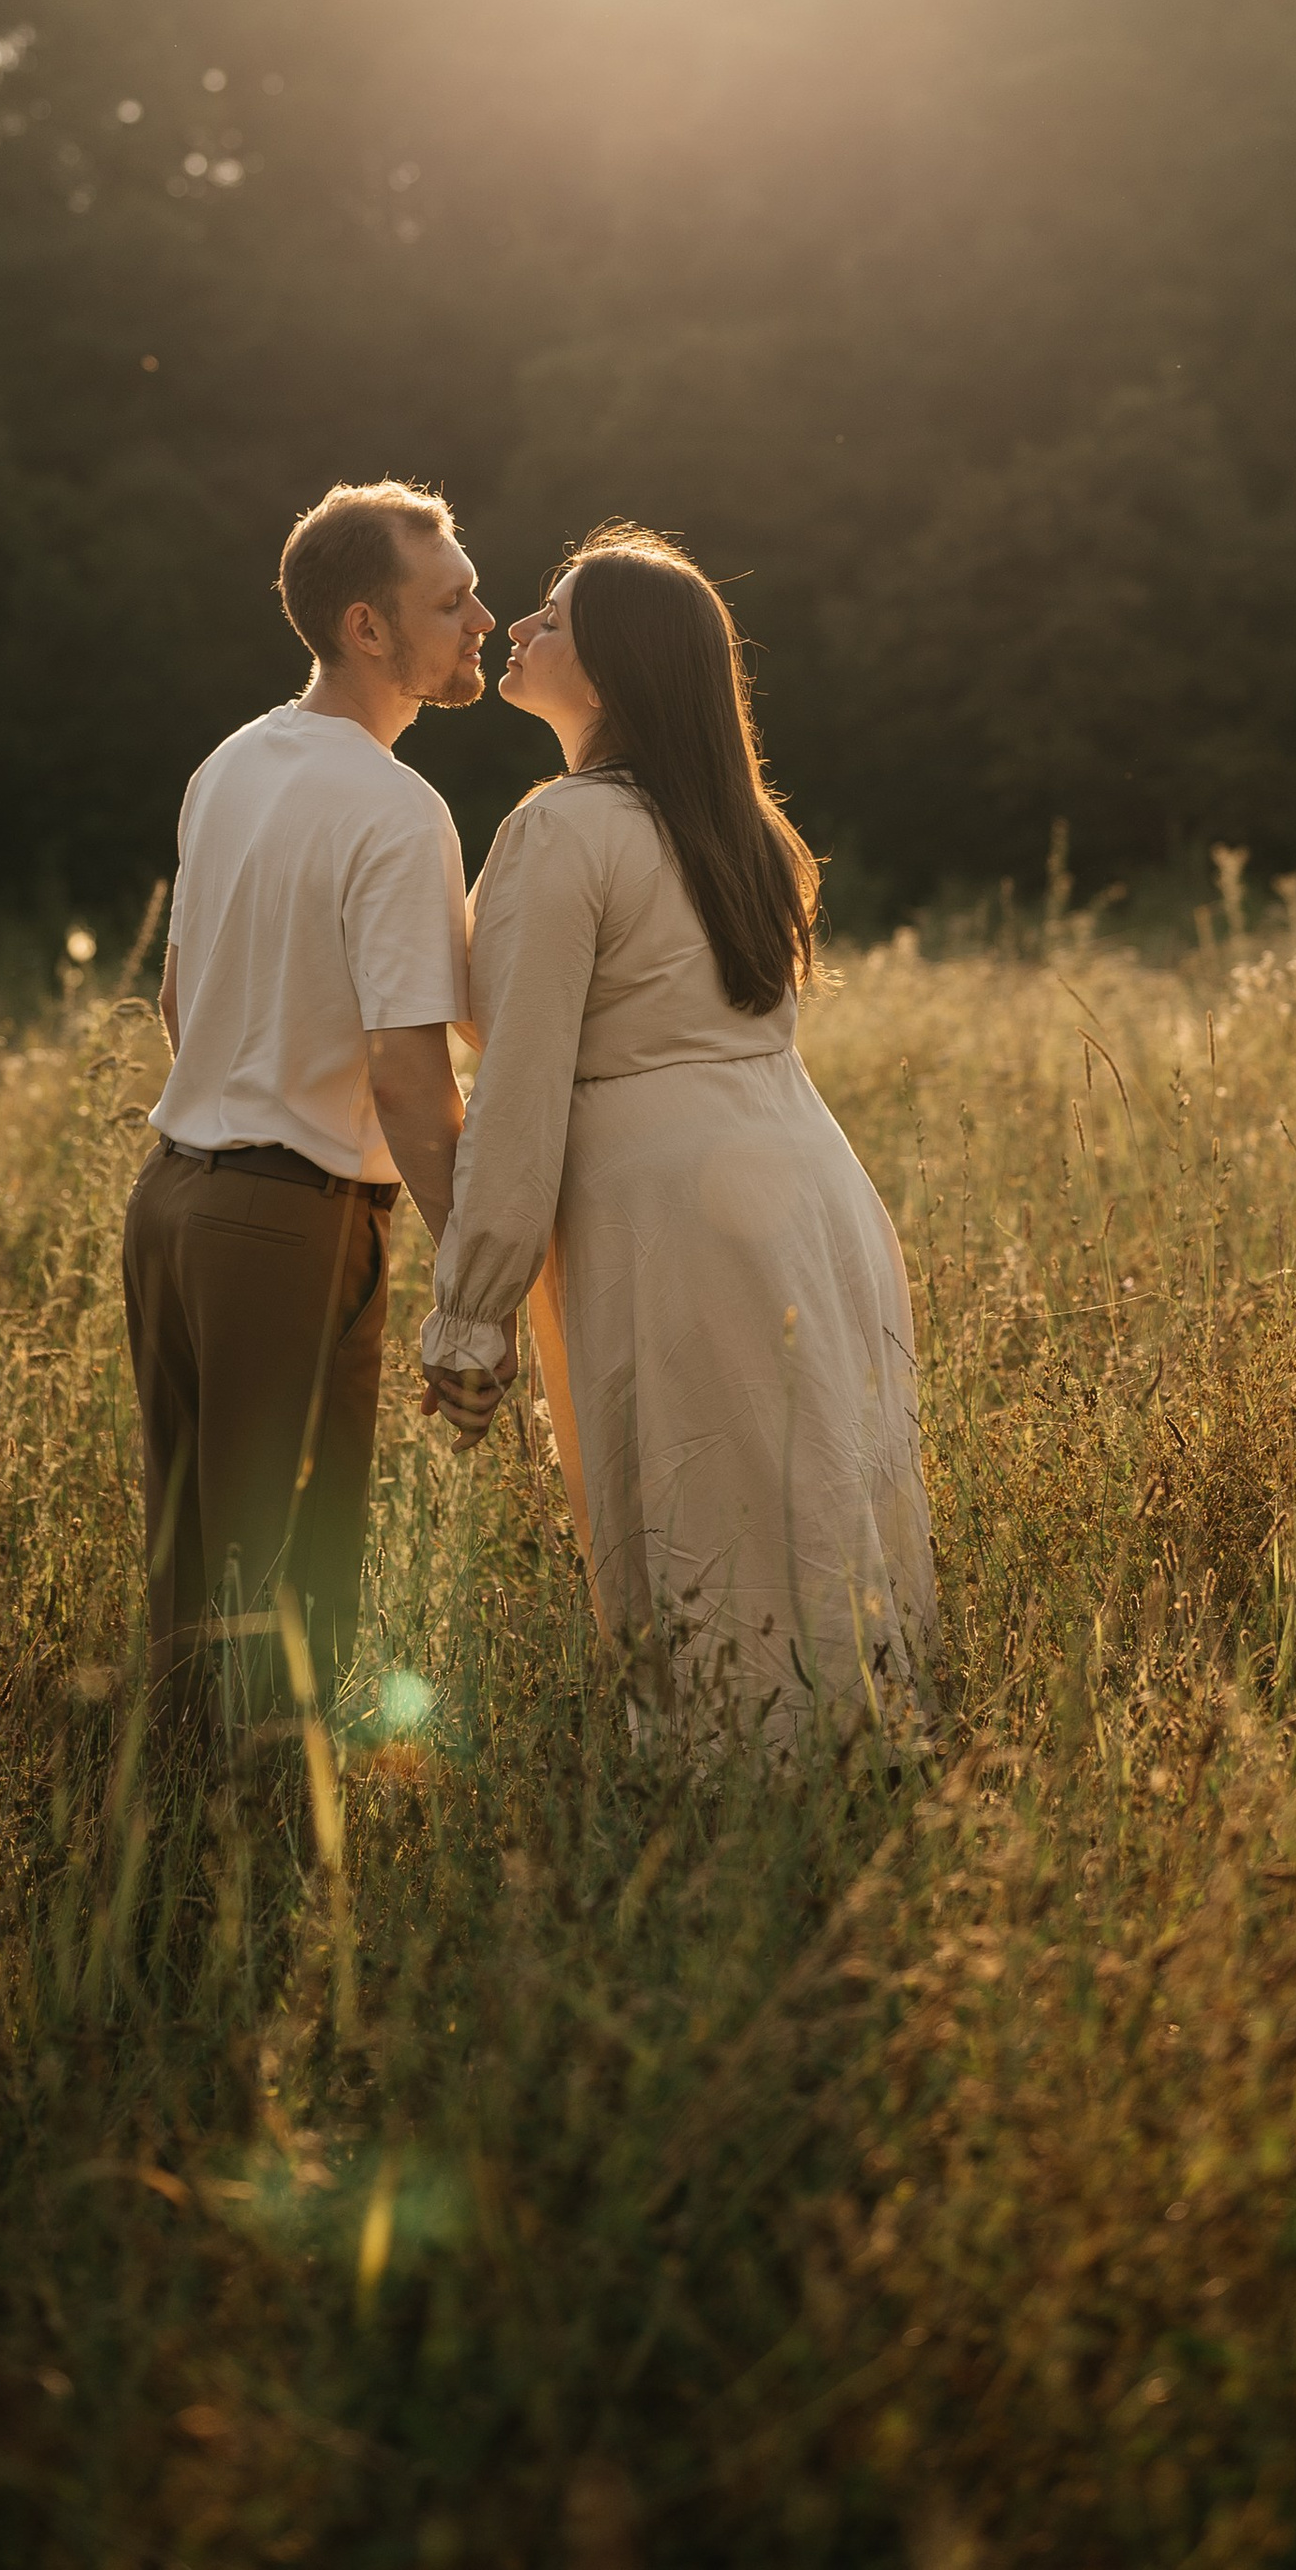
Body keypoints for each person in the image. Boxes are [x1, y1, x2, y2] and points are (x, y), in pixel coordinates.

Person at [418, 525, 934, 1735]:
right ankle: (850, 1758)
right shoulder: (746, 829)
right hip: (808, 1184)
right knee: (809, 1491)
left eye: (552, 617)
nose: (522, 630)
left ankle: (740, 1803)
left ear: (615, 668)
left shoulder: (563, 827)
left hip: (673, 1210)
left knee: (704, 1505)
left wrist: (467, 1304)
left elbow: (523, 1083)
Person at [125, 479, 495, 1724]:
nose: (483, 618)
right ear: (367, 627)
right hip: (287, 1218)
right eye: (450, 600)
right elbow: (407, 1072)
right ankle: (259, 1863)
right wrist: (472, 1279)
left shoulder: (228, 763)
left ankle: (172, 1836)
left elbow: (177, 1000)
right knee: (286, 1580)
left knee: (196, 1575)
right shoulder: (398, 810)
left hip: (173, 1198)